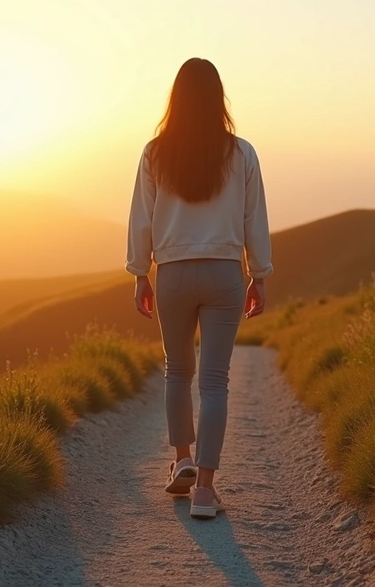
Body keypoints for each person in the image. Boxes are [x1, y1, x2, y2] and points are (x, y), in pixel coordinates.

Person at [126, 57, 273, 520]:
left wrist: (138, 274)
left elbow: (141, 219)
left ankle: (182, 460)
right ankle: (206, 491)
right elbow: (255, 220)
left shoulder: (154, 153)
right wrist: (260, 275)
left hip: (172, 273)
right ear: (218, 100)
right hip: (225, 273)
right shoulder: (242, 153)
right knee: (214, 382)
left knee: (177, 372)